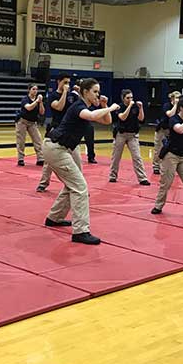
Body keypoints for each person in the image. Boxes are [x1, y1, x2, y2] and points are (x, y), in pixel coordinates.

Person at [42, 78, 120, 245]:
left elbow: (107, 121)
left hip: (60, 149)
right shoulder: (79, 106)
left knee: (71, 184)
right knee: (80, 187)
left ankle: (54, 217)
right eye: (95, 92)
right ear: (85, 92)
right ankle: (81, 231)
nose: (97, 94)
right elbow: (92, 116)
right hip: (56, 148)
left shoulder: (86, 107)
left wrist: (105, 107)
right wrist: (112, 107)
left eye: (98, 92)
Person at [36, 73, 76, 191]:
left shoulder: (72, 96)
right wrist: (64, 92)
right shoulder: (53, 95)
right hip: (57, 129)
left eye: (68, 83)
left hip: (70, 131)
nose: (67, 85)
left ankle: (77, 185)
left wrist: (77, 93)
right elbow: (59, 107)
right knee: (50, 160)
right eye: (65, 82)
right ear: (58, 82)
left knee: (76, 159)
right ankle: (43, 183)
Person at [109, 89, 150, 185]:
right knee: (116, 156)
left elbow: (141, 119)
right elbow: (123, 117)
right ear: (123, 98)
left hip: (133, 135)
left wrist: (141, 108)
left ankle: (142, 178)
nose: (130, 99)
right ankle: (112, 175)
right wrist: (130, 106)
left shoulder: (136, 107)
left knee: (137, 157)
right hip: (121, 134)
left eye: (131, 97)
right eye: (128, 98)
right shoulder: (120, 107)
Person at [16, 83, 45, 165]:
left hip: (32, 123)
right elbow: (28, 108)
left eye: (36, 89)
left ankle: (40, 158)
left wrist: (41, 102)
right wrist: (36, 101)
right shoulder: (25, 99)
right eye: (33, 89)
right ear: (29, 90)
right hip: (22, 121)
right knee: (21, 140)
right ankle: (20, 159)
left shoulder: (38, 100)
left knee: (38, 140)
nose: (35, 91)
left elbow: (42, 112)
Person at [153, 91, 180, 175]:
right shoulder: (167, 106)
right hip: (163, 129)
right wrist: (175, 105)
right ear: (172, 98)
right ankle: (156, 166)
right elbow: (170, 114)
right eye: (176, 98)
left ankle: (173, 167)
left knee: (173, 149)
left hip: (173, 131)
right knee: (159, 148)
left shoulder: (180, 107)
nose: (178, 100)